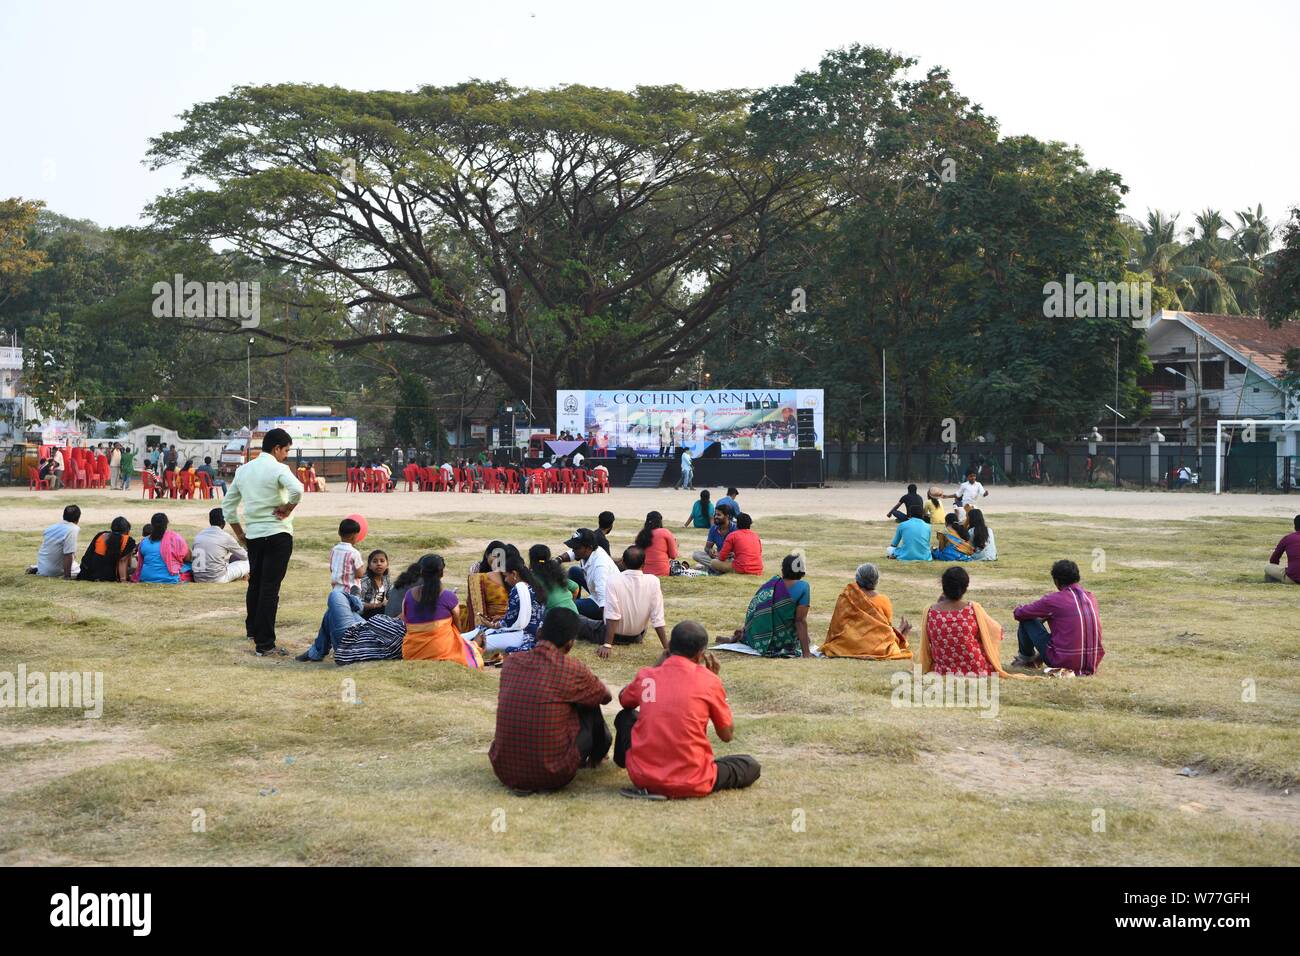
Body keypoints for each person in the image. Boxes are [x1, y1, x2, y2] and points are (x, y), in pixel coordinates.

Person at [615, 621, 760, 799]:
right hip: (693, 780)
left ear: (669, 647)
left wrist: (656, 667)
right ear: (700, 654)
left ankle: (629, 762)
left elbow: (624, 700)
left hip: (643, 777)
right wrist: (716, 685)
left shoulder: (648, 676)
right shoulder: (709, 680)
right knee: (750, 765)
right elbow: (726, 735)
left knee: (626, 716)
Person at [489, 607, 613, 794]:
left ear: (539, 633)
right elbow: (604, 696)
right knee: (590, 700)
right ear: (570, 644)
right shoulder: (571, 668)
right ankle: (598, 756)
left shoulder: (511, 663)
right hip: (553, 772)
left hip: (504, 769)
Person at [223, 428, 305, 657]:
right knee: (270, 588)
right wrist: (288, 507)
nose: (286, 455)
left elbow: (227, 507)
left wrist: (240, 533)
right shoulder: (278, 468)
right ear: (276, 448)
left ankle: (253, 631)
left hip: (255, 536)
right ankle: (265, 644)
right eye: (286, 450)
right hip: (278, 534)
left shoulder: (244, 470)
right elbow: (298, 489)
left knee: (256, 584)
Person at [920, 566, 1028, 678]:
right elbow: (997, 630)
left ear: (943, 586)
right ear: (965, 588)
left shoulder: (930, 612)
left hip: (943, 670)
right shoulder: (972, 609)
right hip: (975, 669)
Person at [1011, 559, 1105, 674]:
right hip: (1092, 661)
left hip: (1062, 661)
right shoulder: (1091, 597)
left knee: (1028, 620)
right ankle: (1035, 659)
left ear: (1056, 581)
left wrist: (1026, 610)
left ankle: (1026, 659)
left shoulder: (1054, 600)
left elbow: (1020, 614)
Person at [721, 554, 812, 658]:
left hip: (760, 639)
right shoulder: (803, 587)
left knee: (806, 639)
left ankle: (743, 635)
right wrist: (806, 653)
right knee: (806, 640)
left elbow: (756, 609)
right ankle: (742, 635)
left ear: (783, 569)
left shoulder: (772, 584)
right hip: (784, 641)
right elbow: (800, 621)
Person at [821, 562, 913, 660]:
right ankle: (901, 633)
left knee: (884, 632)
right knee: (888, 634)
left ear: (857, 579)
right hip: (877, 646)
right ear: (876, 580)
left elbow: (837, 627)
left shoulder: (847, 597)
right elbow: (886, 626)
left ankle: (900, 632)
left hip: (849, 644)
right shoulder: (883, 600)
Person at [593, 546, 668, 658]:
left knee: (579, 620)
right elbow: (657, 617)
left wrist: (607, 644)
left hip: (614, 636)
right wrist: (666, 647)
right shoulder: (653, 581)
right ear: (643, 565)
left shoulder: (613, 580)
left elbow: (613, 614)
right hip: (637, 636)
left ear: (622, 562)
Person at [463, 554, 544, 655]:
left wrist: (493, 624)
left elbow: (509, 622)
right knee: (482, 633)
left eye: (506, 576)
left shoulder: (518, 589)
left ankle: (458, 641)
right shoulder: (535, 587)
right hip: (534, 635)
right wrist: (500, 620)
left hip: (523, 635)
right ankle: (459, 640)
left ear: (514, 574)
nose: (505, 580)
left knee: (483, 639)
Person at [557, 528, 619, 623]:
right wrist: (559, 559)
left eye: (576, 548)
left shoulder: (600, 566)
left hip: (604, 603)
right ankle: (574, 603)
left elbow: (604, 600)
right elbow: (571, 554)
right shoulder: (591, 551)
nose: (573, 550)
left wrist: (606, 628)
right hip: (596, 591)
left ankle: (574, 611)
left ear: (589, 548)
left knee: (566, 607)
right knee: (574, 571)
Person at [191, 507, 250, 583]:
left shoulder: (198, 536)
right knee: (249, 562)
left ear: (210, 521)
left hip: (197, 578)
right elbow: (245, 556)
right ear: (224, 522)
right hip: (218, 578)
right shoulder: (225, 537)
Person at [465, 541, 514, 629]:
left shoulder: (508, 575)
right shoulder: (477, 569)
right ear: (487, 555)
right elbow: (474, 599)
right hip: (486, 616)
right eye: (495, 556)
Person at [133, 513, 193, 583]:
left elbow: (141, 562)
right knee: (189, 567)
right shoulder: (175, 538)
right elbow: (188, 558)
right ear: (166, 525)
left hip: (147, 577)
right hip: (169, 579)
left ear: (152, 525)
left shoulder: (144, 542)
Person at [76, 517, 137, 583]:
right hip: (109, 576)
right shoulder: (128, 541)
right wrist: (123, 580)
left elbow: (88, 556)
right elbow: (123, 562)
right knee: (135, 565)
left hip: (89, 574)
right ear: (127, 530)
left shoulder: (101, 535)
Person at [702, 511, 763, 575]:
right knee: (697, 555)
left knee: (713, 562)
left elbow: (722, 557)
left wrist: (717, 555)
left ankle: (717, 571)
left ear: (737, 523)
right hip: (758, 568)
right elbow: (759, 552)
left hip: (741, 568)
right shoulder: (755, 536)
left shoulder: (733, 535)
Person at [33, 505, 82, 579]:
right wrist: (67, 577)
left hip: (42, 568)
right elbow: (68, 554)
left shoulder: (51, 528)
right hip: (54, 571)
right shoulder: (73, 529)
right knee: (81, 570)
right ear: (78, 519)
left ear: (63, 516)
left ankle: (38, 568)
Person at [529, 544, 580, 614]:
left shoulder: (533, 579)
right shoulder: (557, 574)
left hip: (555, 618)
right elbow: (576, 588)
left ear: (531, 561)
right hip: (574, 615)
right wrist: (570, 602)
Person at [636, 511, 678, 577]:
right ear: (660, 521)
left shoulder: (641, 534)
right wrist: (675, 546)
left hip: (644, 571)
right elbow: (673, 555)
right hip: (662, 571)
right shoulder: (665, 532)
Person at [330, 517, 366, 593]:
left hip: (336, 590)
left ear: (339, 533)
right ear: (353, 536)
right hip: (350, 592)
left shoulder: (334, 550)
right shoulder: (354, 553)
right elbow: (360, 574)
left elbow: (332, 569)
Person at [1265, 515, 1300, 584]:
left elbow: (1273, 560)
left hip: (1292, 579)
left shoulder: (1288, 538)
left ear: (1295, 527)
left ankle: (1273, 582)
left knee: (1268, 567)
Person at [357, 550, 391, 617]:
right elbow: (358, 603)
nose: (379, 564)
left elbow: (391, 596)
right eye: (375, 561)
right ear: (369, 566)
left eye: (382, 561)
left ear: (387, 564)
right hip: (365, 614)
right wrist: (378, 605)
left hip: (379, 612)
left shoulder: (386, 579)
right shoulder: (365, 581)